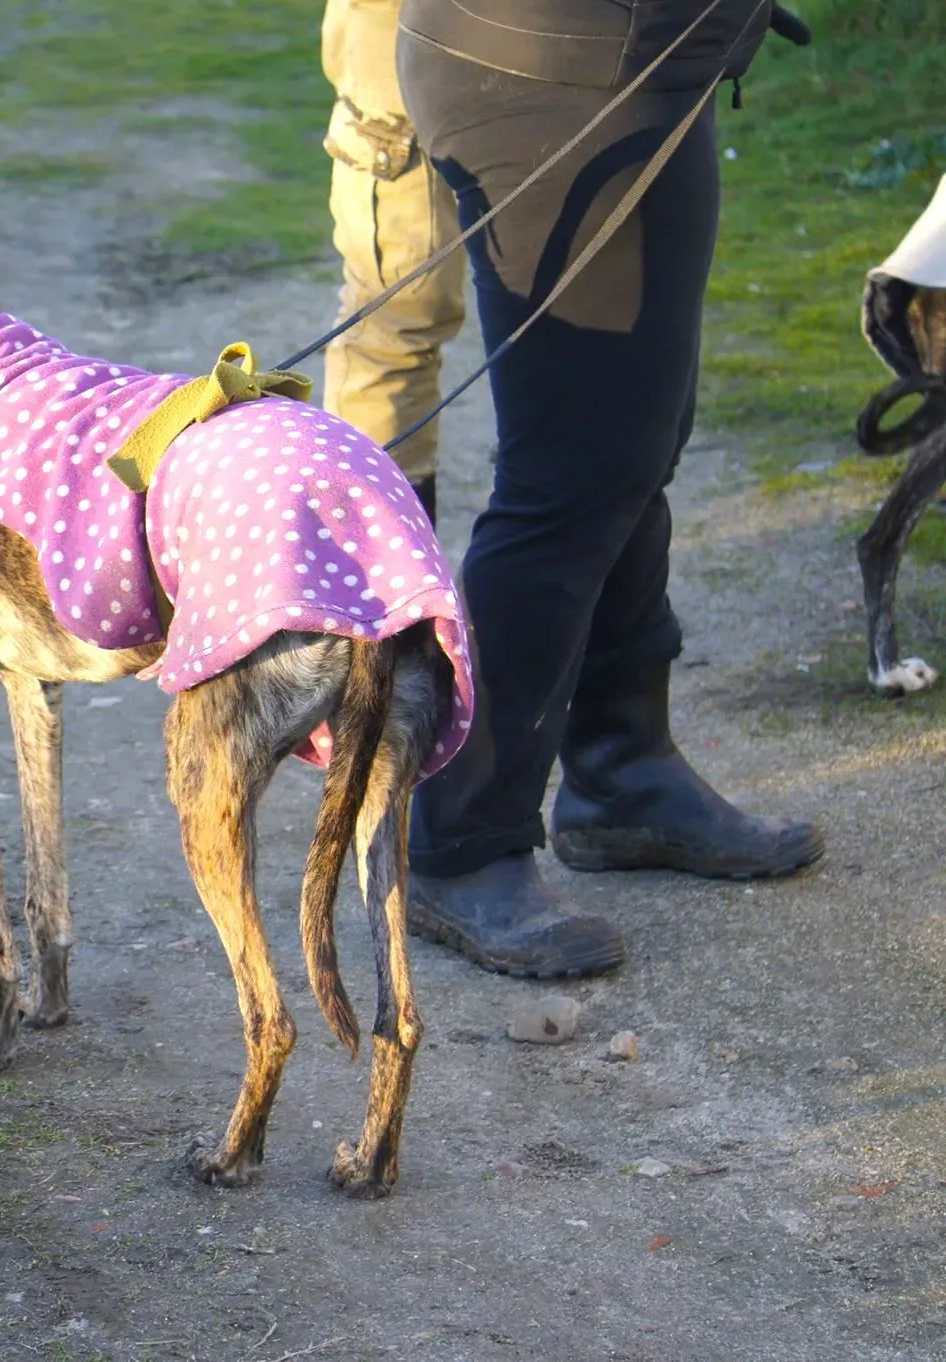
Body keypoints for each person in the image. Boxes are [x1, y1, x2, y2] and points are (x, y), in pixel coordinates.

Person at [387, 0, 824, 977]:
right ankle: (455, 844)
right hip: (545, 75)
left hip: (649, 69)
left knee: (637, 439)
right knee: (569, 472)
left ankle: (622, 772)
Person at [320, 0, 467, 525]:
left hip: (572, 38)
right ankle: (375, 577)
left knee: (572, 316)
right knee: (397, 316)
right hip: (401, 37)